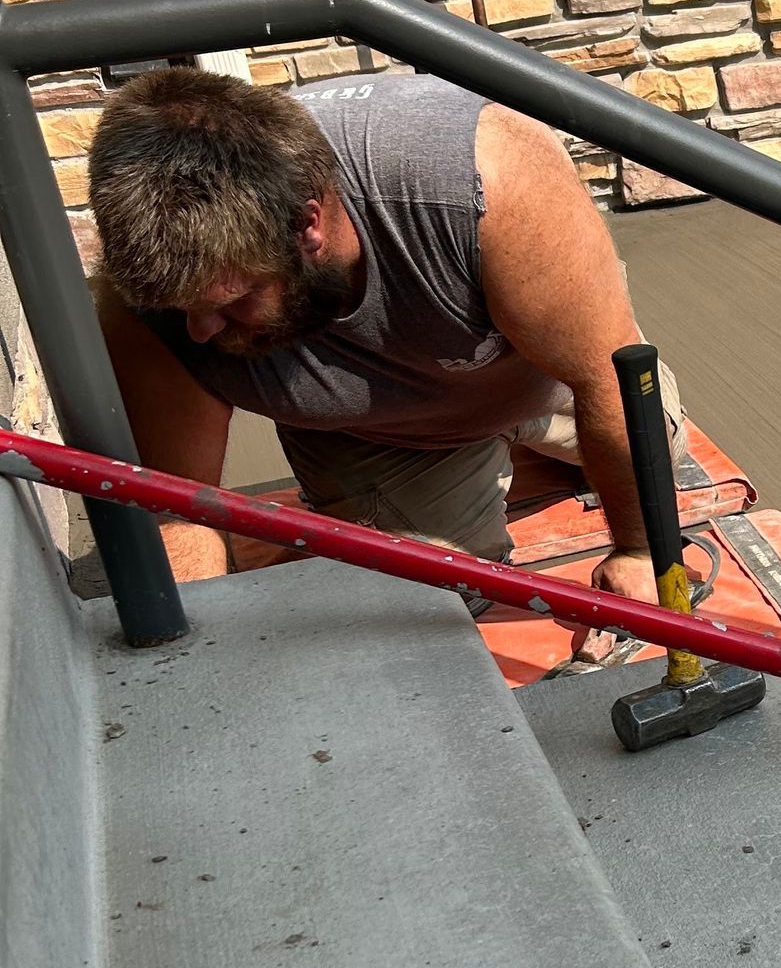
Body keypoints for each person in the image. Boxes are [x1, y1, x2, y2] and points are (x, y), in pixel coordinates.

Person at [87, 64, 681, 597]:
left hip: (538, 374)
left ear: (307, 225)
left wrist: (638, 549)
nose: (201, 331)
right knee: (423, 603)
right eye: (184, 309)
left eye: (234, 299)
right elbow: (178, 510)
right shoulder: (144, 304)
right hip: (385, 434)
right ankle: (473, 465)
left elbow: (608, 379)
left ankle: (527, 438)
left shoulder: (481, 181)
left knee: (654, 451)